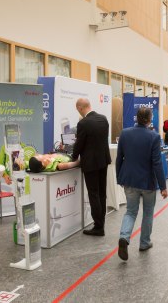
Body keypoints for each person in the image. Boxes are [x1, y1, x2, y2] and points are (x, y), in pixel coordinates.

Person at [116, 107, 168, 261]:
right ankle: (144, 242)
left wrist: (119, 177)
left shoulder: (125, 133)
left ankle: (124, 237)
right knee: (147, 212)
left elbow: (120, 158)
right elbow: (157, 164)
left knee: (130, 211)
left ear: (136, 118)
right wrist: (163, 186)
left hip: (129, 180)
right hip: (147, 182)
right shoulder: (154, 136)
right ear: (150, 119)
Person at [72, 98, 111, 236]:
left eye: (78, 110)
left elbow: (79, 144)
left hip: (91, 164)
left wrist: (73, 156)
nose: (79, 112)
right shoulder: (104, 119)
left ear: (81, 108)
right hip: (103, 161)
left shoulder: (83, 123)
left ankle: (98, 227)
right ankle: (102, 223)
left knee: (93, 194)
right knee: (101, 193)